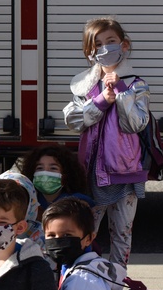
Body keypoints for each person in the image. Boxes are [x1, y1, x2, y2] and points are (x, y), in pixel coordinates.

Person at [63, 17, 150, 267]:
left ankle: (118, 286)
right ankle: (83, 277)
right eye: (97, 44)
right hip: (91, 174)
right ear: (89, 53)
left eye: (110, 41)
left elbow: (134, 124)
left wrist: (122, 92)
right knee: (85, 231)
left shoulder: (136, 84)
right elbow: (74, 121)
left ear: (124, 45)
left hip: (127, 173)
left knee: (122, 235)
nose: (104, 49)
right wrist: (101, 100)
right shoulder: (84, 87)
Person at [17, 145, 92, 213]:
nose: (45, 173)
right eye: (40, 168)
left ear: (66, 174)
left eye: (53, 168)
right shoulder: (28, 201)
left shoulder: (79, 202)